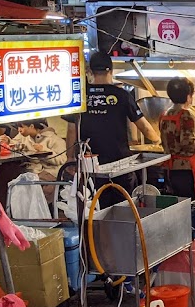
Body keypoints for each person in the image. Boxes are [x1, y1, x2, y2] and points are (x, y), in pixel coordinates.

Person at [65, 51, 159, 205]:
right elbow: (145, 127)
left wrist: (69, 158)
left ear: (90, 71)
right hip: (119, 164)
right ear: (111, 70)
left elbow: (71, 129)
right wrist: (158, 140)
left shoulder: (80, 96)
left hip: (91, 165)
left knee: (96, 208)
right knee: (123, 208)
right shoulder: (122, 95)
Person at [159, 77, 195, 198]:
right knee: (189, 205)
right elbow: (187, 143)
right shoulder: (186, 115)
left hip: (169, 170)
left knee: (177, 204)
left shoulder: (164, 114)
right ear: (188, 96)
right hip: (185, 171)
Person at [12, 118, 68, 187]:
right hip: (32, 171)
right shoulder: (24, 137)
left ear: (31, 126)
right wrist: (8, 141)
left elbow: (62, 160)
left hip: (49, 173)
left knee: (26, 185)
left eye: (22, 127)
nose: (19, 130)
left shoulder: (55, 140)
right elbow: (14, 143)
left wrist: (44, 150)